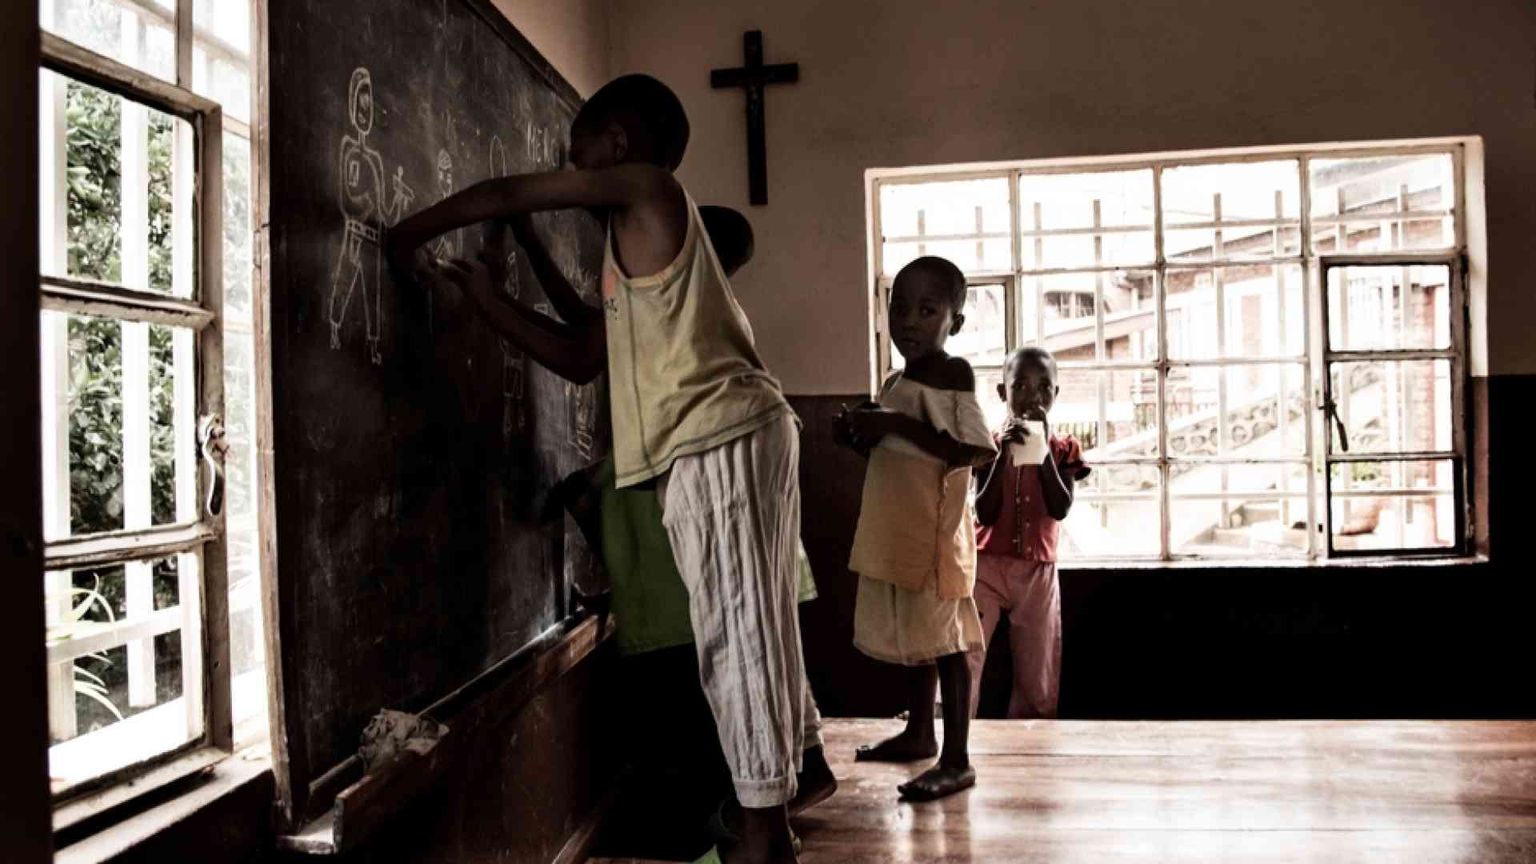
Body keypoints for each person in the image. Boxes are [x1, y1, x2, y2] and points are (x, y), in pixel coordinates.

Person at [391, 74, 817, 863]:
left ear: (616, 145)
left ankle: (764, 835)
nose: (568, 163)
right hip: (729, 438)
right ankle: (771, 820)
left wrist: (405, 235)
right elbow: (583, 351)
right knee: (746, 625)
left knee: (737, 633)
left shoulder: (652, 189)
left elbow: (505, 189)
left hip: (721, 437)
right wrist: (502, 280)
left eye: (575, 149)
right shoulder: (639, 254)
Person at [835, 255, 996, 801]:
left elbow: (973, 449)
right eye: (899, 307)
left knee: (947, 642)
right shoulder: (895, 380)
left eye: (927, 310)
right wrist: (861, 434)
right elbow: (899, 452)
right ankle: (919, 732)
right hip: (899, 528)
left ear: (955, 321)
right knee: (921, 638)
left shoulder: (954, 374)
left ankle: (958, 760)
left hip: (935, 535)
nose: (909, 321)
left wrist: (896, 423)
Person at [969, 347, 1089, 719]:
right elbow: (984, 513)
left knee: (1038, 670)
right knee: (966, 656)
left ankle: (1032, 746)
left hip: (1037, 572)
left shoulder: (1064, 449)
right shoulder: (988, 446)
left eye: (1043, 389)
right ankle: (951, 733)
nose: (1032, 398)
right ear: (1003, 393)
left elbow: (1060, 508)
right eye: (1020, 386)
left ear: (1056, 395)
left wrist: (1042, 453)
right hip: (985, 568)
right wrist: (1004, 454)